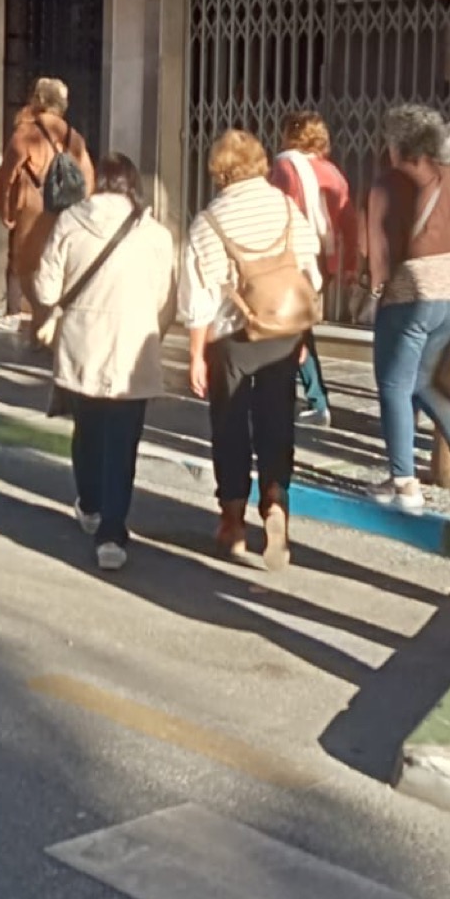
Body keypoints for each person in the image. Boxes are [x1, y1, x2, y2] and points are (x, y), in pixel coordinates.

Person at [181, 129, 320, 569]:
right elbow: (308, 273)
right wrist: (303, 334)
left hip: (233, 338)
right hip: (283, 333)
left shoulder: (209, 222)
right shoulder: (286, 208)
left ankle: (233, 521)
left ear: (219, 169)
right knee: (277, 420)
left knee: (230, 426)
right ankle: (275, 501)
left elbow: (199, 298)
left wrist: (195, 354)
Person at [33, 152, 176, 571]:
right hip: (132, 349)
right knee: (123, 441)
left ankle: (91, 504)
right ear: (134, 186)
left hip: (83, 345)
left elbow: (45, 290)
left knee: (88, 430)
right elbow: (166, 300)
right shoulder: (156, 234)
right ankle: (112, 533)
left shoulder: (70, 222)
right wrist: (151, 331)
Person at [364, 104, 450, 515]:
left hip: (411, 294)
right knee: (417, 380)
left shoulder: (391, 183)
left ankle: (404, 483)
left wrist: (373, 286)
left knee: (393, 386)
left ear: (397, 142)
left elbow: (376, 245)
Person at [270, 111, 352, 429]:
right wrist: (349, 266)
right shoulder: (333, 172)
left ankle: (313, 400)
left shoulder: (285, 167)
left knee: (291, 329)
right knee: (299, 326)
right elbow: (348, 220)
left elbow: (278, 211)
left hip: (294, 257)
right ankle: (309, 398)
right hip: (323, 261)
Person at [0, 77, 94, 332]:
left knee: (25, 268)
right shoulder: (74, 138)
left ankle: (34, 317)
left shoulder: (26, 134)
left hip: (33, 209)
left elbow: (6, 176)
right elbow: (88, 179)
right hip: (66, 214)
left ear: (38, 100)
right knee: (57, 268)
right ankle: (46, 322)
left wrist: (4, 210)